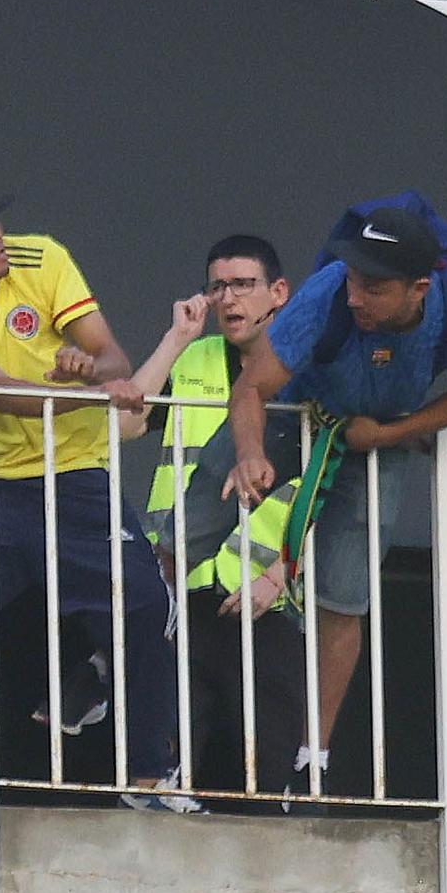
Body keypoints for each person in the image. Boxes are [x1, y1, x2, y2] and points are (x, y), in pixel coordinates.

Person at [177, 205, 447, 798]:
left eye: (374, 288)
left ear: (420, 289)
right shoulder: (329, 292)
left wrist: (387, 434)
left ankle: (311, 762)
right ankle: (132, 691)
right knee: (184, 535)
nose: (356, 296)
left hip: (373, 437)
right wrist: (250, 453)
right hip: (290, 414)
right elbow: (252, 385)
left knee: (343, 596)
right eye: (353, 278)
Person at [0, 170, 198, 813]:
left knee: (144, 600)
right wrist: (76, 387)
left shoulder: (42, 256)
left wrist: (91, 370)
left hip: (77, 474)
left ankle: (152, 777)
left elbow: (111, 357)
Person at [130, 235, 311, 805]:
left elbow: (331, 481)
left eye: (244, 285)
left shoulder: (309, 368)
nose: (229, 298)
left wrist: (278, 573)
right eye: (218, 286)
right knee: (179, 755)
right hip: (181, 585)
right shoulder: (196, 357)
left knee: (260, 757)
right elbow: (127, 425)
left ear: (278, 293)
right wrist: (177, 337)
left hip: (264, 590)